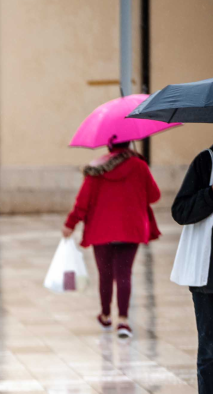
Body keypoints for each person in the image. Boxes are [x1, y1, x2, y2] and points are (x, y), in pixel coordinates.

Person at [63, 141, 160, 339]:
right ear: (130, 142)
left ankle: (106, 315)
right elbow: (154, 195)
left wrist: (70, 224)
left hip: (101, 229)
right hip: (130, 228)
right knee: (124, 274)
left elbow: (83, 202)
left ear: (109, 146)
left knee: (105, 274)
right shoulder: (139, 166)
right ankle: (123, 321)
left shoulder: (97, 168)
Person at [171, 139, 213, 394]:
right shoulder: (207, 162)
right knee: (212, 350)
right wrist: (212, 194)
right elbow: (181, 211)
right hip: (210, 275)